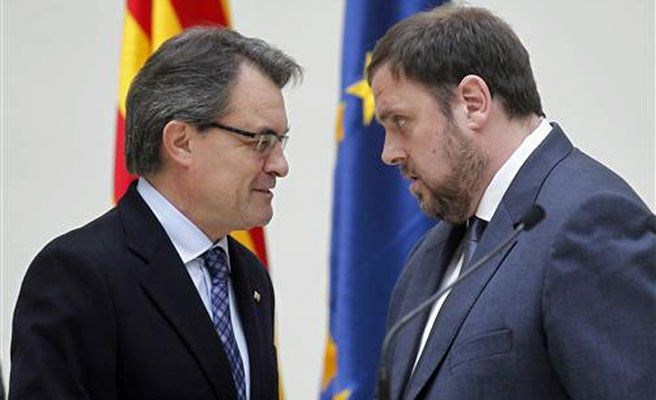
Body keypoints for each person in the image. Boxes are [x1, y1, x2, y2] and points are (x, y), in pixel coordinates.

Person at [367, 5, 656, 400]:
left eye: (400, 122)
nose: (389, 153)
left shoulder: (591, 223)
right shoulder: (428, 255)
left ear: (472, 103)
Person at [10, 27, 301, 400]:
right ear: (181, 142)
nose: (280, 165)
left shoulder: (250, 275)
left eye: (280, 141)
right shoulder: (79, 275)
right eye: (261, 141)